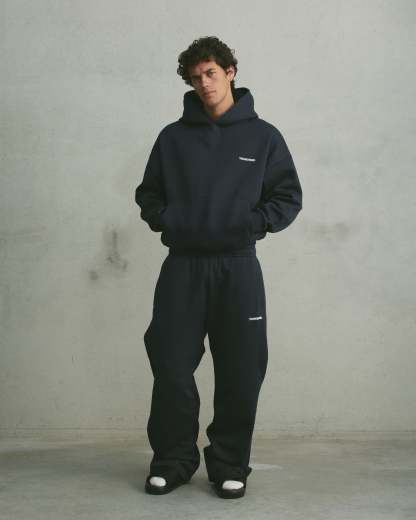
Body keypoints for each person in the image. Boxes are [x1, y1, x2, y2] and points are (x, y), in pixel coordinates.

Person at [135, 36, 303, 499]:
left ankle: (230, 464)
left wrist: (252, 224)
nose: (204, 84)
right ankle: (173, 461)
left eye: (211, 73)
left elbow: (288, 196)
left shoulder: (264, 136)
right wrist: (169, 220)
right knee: (171, 366)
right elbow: (148, 194)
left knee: (241, 370)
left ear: (230, 72)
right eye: (195, 78)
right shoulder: (172, 138)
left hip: (237, 267)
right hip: (183, 267)